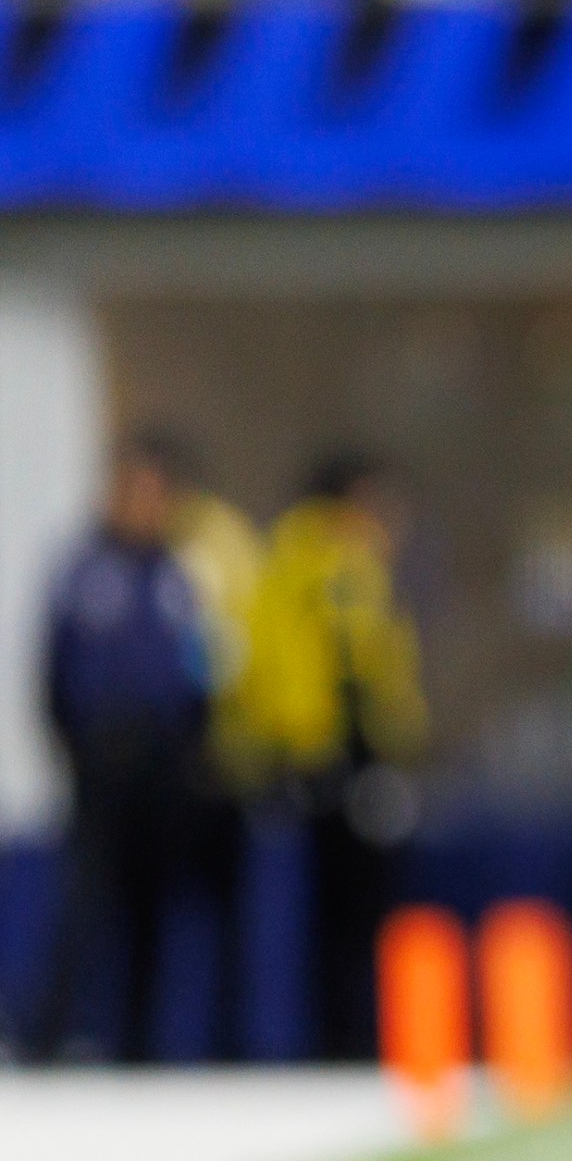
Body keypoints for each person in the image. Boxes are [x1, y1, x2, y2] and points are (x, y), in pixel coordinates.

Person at [21, 435, 244, 1064]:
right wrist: (73, 745)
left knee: (152, 904)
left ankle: (139, 1043)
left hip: (167, 760)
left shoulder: (181, 573)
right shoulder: (85, 569)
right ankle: (47, 1037)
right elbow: (54, 669)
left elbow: (204, 665)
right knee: (84, 904)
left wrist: (196, 743)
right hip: (102, 758)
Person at [223, 453, 427, 1062]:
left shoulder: (285, 561)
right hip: (328, 761)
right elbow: (363, 668)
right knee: (349, 915)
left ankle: (334, 1039)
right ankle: (349, 1041)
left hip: (304, 759)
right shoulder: (335, 567)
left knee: (327, 918)